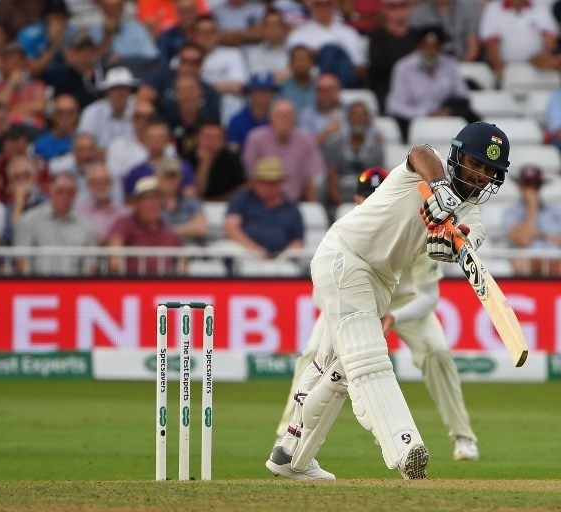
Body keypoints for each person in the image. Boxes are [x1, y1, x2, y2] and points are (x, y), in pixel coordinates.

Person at [264, 121, 510, 480]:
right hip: (345, 256)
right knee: (368, 357)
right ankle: (406, 448)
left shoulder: (472, 214)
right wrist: (439, 189)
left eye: (491, 172)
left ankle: (291, 455)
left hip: (382, 282)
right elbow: (419, 152)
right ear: (458, 156)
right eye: (477, 164)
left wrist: (452, 240)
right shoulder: (430, 167)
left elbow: (467, 240)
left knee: (336, 368)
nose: (482, 177)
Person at [224, 156, 304, 260]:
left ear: (280, 183)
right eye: (263, 181)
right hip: (244, 256)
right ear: (255, 182)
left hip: (281, 264)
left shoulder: (292, 208)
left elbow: (297, 241)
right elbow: (231, 228)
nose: (267, 186)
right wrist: (253, 249)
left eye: (272, 182)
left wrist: (283, 258)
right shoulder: (242, 200)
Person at [504, 164, 561, 276]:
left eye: (535, 185)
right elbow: (524, 240)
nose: (531, 190)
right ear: (520, 186)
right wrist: (532, 206)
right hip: (526, 262)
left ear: (540, 187)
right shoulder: (511, 212)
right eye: (527, 185)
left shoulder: (556, 211)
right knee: (520, 264)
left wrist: (542, 235)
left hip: (555, 261)